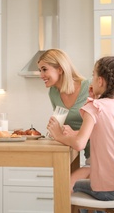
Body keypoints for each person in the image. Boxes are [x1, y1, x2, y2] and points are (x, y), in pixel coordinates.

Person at [47, 56, 114, 202]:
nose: (90, 81)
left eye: (93, 75)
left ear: (100, 81)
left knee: (64, 185)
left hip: (108, 189)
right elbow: (110, 133)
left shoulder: (95, 106)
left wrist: (58, 135)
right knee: (84, 178)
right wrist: (75, 133)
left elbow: (80, 144)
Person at [37, 49, 91, 187]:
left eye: (44, 69)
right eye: (40, 70)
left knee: (67, 187)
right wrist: (56, 129)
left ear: (60, 69)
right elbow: (63, 124)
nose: (41, 75)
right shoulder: (53, 93)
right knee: (66, 185)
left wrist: (63, 133)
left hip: (99, 151)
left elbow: (103, 123)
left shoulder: (88, 87)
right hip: (83, 151)